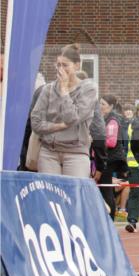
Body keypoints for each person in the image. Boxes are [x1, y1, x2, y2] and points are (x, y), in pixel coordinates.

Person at [30, 44, 97, 178]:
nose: (61, 69)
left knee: (73, 195)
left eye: (65, 65)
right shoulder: (48, 89)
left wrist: (64, 90)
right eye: (58, 65)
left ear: (77, 66)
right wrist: (58, 126)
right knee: (50, 194)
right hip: (49, 151)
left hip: (76, 152)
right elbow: (36, 123)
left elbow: (72, 118)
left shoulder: (88, 89)